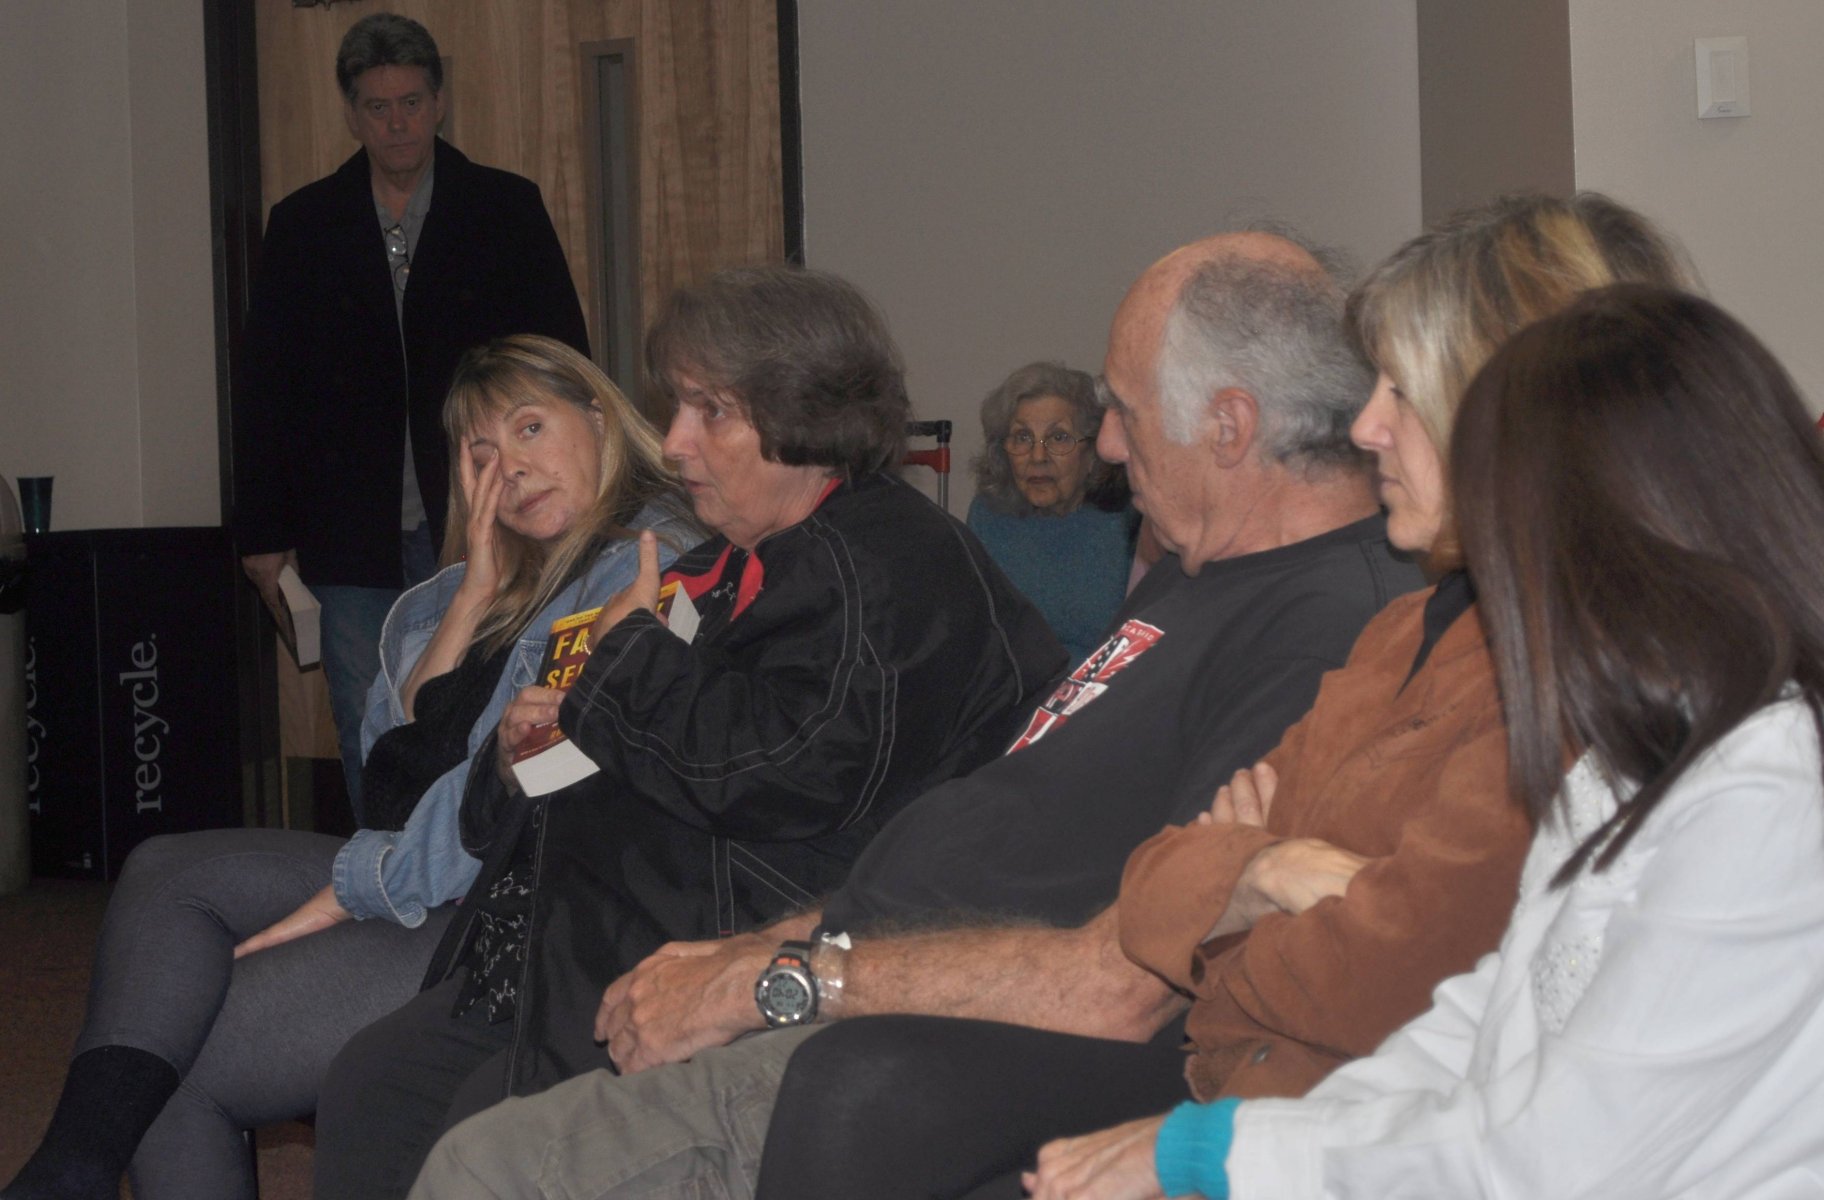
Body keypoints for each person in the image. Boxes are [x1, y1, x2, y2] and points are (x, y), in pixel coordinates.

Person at [406, 228, 1427, 1200]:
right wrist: (754, 951)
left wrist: (773, 977)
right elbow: (970, 848)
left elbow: (1124, 980)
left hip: (900, 1035)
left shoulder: (1323, 630)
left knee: (483, 1167)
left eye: (1121, 408)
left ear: (1230, 425)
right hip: (838, 959)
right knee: (435, 1113)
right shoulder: (1196, 578)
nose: (1107, 446)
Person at [744, 192, 1695, 1200]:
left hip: (1303, 1121)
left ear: (1536, 419)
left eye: (1403, 393)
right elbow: (1171, 877)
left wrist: (1245, 884)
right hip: (1253, 1093)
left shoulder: (1571, 687)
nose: (1365, 426)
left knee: (858, 1089)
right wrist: (1254, 873)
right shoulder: (1404, 635)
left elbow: (1397, 985)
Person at [1029, 283, 1824, 1200]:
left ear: (1624, 521)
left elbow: (1560, 1156)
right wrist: (1226, 1136)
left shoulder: (1779, 783)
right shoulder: (1635, 755)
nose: (1501, 562)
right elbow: (1477, 1028)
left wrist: (1213, 1154)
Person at [306, 265, 1067, 1199]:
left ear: (803, 412)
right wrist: (515, 758)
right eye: (677, 408)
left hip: (749, 951)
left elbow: (780, 770)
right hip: (569, 941)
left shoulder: (885, 563)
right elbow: (606, 744)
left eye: (710, 412)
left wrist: (620, 664)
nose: (673, 442)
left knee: (481, 1143)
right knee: (372, 1087)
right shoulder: (738, 557)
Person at [1, 335, 696, 1200]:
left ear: (597, 416)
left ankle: (67, 1174)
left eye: (530, 428)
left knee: (171, 1064)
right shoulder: (460, 593)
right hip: (426, 874)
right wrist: (474, 594)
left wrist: (355, 887)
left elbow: (520, 793)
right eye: (481, 453)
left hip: (512, 913)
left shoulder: (646, 562)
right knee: (163, 874)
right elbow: (392, 779)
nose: (510, 468)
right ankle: (68, 1172)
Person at [232, 13, 590, 821]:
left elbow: (562, 363)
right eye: (377, 106)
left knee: (484, 699)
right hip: (346, 525)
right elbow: (265, 386)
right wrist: (262, 529)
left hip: (484, 512)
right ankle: (384, 866)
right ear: (351, 115)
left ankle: (473, 866)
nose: (396, 123)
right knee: (370, 714)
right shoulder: (304, 224)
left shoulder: (505, 208)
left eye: (411, 103)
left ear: (439, 103)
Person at [968, 361, 1138, 663]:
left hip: (1104, 687)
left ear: (1093, 451)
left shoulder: (1128, 520)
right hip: (1013, 687)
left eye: (1059, 437)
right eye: (1022, 437)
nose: (1037, 456)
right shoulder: (987, 515)